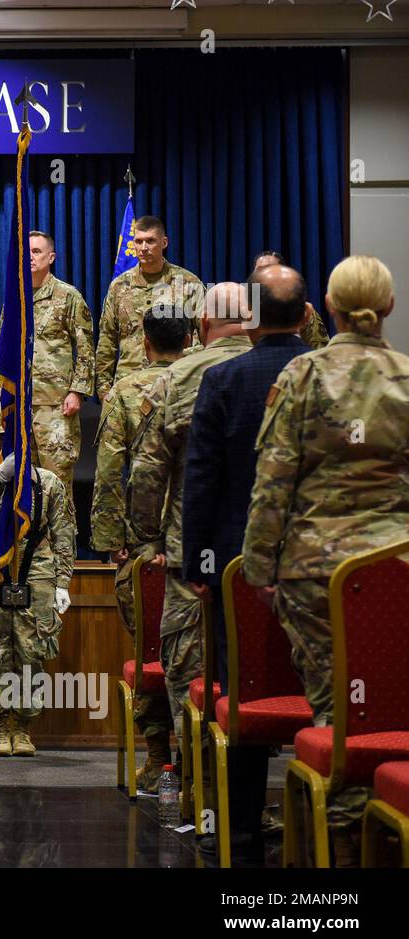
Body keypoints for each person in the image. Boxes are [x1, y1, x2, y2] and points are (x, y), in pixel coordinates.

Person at [242, 254, 409, 863]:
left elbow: (273, 483)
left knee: (339, 709)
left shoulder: (302, 376)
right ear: (387, 307)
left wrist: (258, 570)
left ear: (330, 310)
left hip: (317, 575)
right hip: (397, 574)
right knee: (392, 708)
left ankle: (340, 857)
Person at [182, 264, 312, 854]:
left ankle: (239, 823)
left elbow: (202, 482)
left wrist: (202, 568)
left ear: (251, 320)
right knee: (324, 689)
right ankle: (321, 823)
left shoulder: (225, 379)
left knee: (245, 689)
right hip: (323, 567)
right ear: (308, 315)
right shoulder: (325, 378)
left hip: (238, 567)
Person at [128, 283, 252, 773]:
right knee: (260, 675)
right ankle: (253, 791)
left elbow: (146, 471)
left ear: (202, 327)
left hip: (189, 556)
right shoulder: (288, 370)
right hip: (272, 561)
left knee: (188, 672)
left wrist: (148, 538)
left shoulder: (176, 378)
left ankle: (198, 787)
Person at [89, 307, 189, 790]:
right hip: (197, 542)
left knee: (151, 647)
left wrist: (113, 544)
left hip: (144, 546)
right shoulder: (205, 380)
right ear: (191, 338)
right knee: (202, 654)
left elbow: (109, 472)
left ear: (144, 344)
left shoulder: (126, 391)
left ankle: (156, 758)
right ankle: (199, 759)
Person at [0, 408, 74, 757]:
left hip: (37, 572)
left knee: (31, 650)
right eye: (0, 437)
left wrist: (62, 583)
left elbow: (64, 535)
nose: (5, 442)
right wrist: (1, 477)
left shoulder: (49, 482)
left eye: (12, 438)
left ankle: (23, 727)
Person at [0, 231, 94, 520]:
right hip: (20, 407)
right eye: (26, 253)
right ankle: (32, 560)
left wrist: (78, 391)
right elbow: (2, 349)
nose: (30, 257)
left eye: (37, 251)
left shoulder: (68, 296)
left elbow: (87, 348)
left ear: (51, 257)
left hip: (55, 409)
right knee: (23, 489)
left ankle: (62, 562)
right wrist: (3, 397)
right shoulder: (15, 299)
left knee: (57, 487)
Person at [95, 216, 203, 402]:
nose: (144, 247)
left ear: (164, 242)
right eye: (138, 241)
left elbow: (206, 336)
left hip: (174, 385)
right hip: (129, 388)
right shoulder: (119, 286)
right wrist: (104, 389)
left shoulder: (188, 283)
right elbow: (107, 340)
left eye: (150, 241)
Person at [251, 251, 329, 349]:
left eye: (270, 269)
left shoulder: (301, 310)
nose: (266, 274)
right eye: (260, 270)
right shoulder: (245, 309)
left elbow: (320, 350)